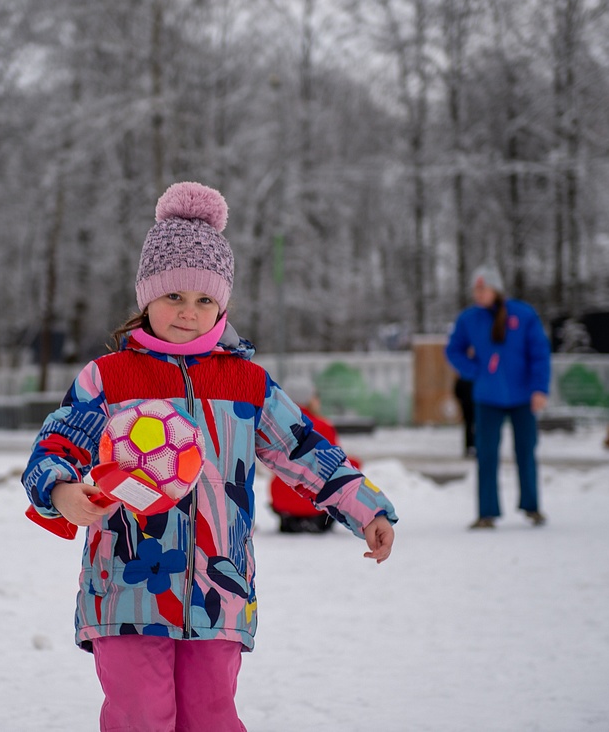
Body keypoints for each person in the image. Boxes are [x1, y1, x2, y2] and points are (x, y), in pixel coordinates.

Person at [22, 181, 398, 731]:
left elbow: (304, 449)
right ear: (146, 295)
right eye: (174, 296)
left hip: (218, 593)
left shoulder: (247, 384)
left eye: (205, 300)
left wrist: (368, 508)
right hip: (128, 587)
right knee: (141, 715)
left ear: (222, 303)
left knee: (211, 716)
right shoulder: (109, 377)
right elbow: (53, 447)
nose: (188, 312)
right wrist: (60, 490)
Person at [446, 264, 551, 529]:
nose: (478, 294)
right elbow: (454, 350)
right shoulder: (469, 318)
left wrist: (540, 389)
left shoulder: (523, 314)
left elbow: (539, 354)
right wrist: (475, 371)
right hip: (487, 397)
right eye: (475, 289)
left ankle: (532, 507)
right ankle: (487, 512)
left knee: (526, 451)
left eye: (483, 288)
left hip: (523, 396)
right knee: (486, 454)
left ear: (496, 288)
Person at [267, 376, 357, 533]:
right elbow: (336, 466)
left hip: (282, 500)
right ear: (310, 399)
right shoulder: (323, 426)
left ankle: (290, 516)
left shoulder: (274, 426)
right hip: (316, 504)